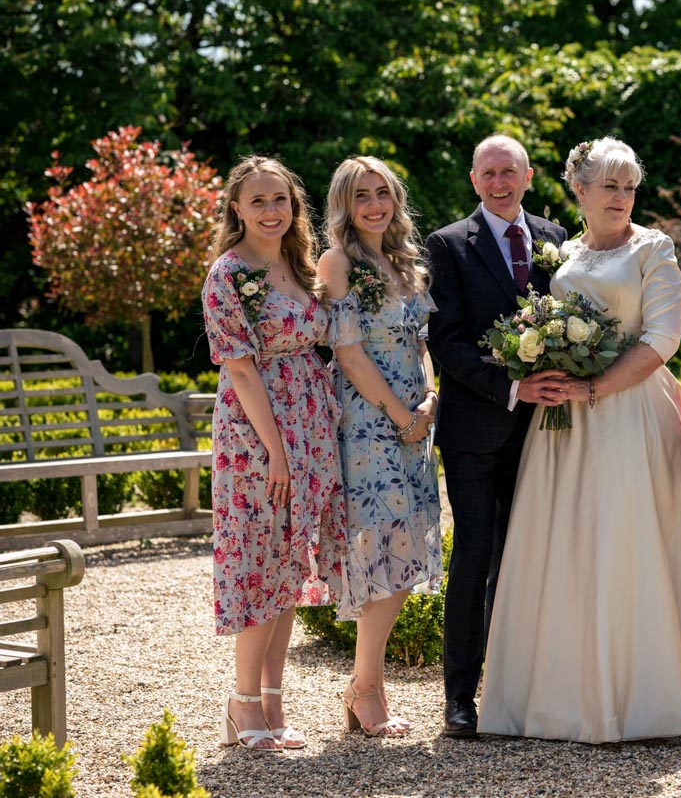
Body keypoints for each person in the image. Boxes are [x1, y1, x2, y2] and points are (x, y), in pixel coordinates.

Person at [477, 137, 681, 743]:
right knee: (563, 542)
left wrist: (594, 388)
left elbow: (663, 338)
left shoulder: (655, 247)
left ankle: (648, 695)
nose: (621, 197)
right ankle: (556, 697)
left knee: (631, 540)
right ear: (580, 191)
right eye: (609, 186)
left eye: (629, 187)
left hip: (632, 413)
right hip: (562, 426)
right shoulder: (563, 252)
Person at [425, 135, 568, 738]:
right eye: (489, 173)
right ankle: (460, 696)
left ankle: (522, 690)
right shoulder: (449, 245)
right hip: (477, 430)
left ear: (529, 175)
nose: (499, 181)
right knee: (477, 555)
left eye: (509, 171)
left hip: (551, 430)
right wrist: (513, 387)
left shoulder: (558, 238)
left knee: (533, 556)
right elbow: (447, 341)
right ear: (474, 179)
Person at [202, 156, 347, 751]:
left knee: (289, 567)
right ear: (236, 208)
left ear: (294, 206)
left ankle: (271, 700)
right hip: (254, 433)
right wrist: (277, 453)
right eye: (258, 201)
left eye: (280, 200)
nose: (271, 211)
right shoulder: (228, 273)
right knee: (257, 558)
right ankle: (240, 706)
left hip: (309, 424)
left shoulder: (300, 266)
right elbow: (239, 366)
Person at [318, 156, 440, 737]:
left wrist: (431, 399)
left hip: (416, 423)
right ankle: (367, 686)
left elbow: (422, 344)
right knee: (383, 542)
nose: (374, 204)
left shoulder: (405, 262)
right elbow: (348, 352)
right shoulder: (337, 261)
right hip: (369, 424)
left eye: (383, 193)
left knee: (406, 541)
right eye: (361, 195)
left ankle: (365, 684)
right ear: (344, 204)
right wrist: (399, 415)